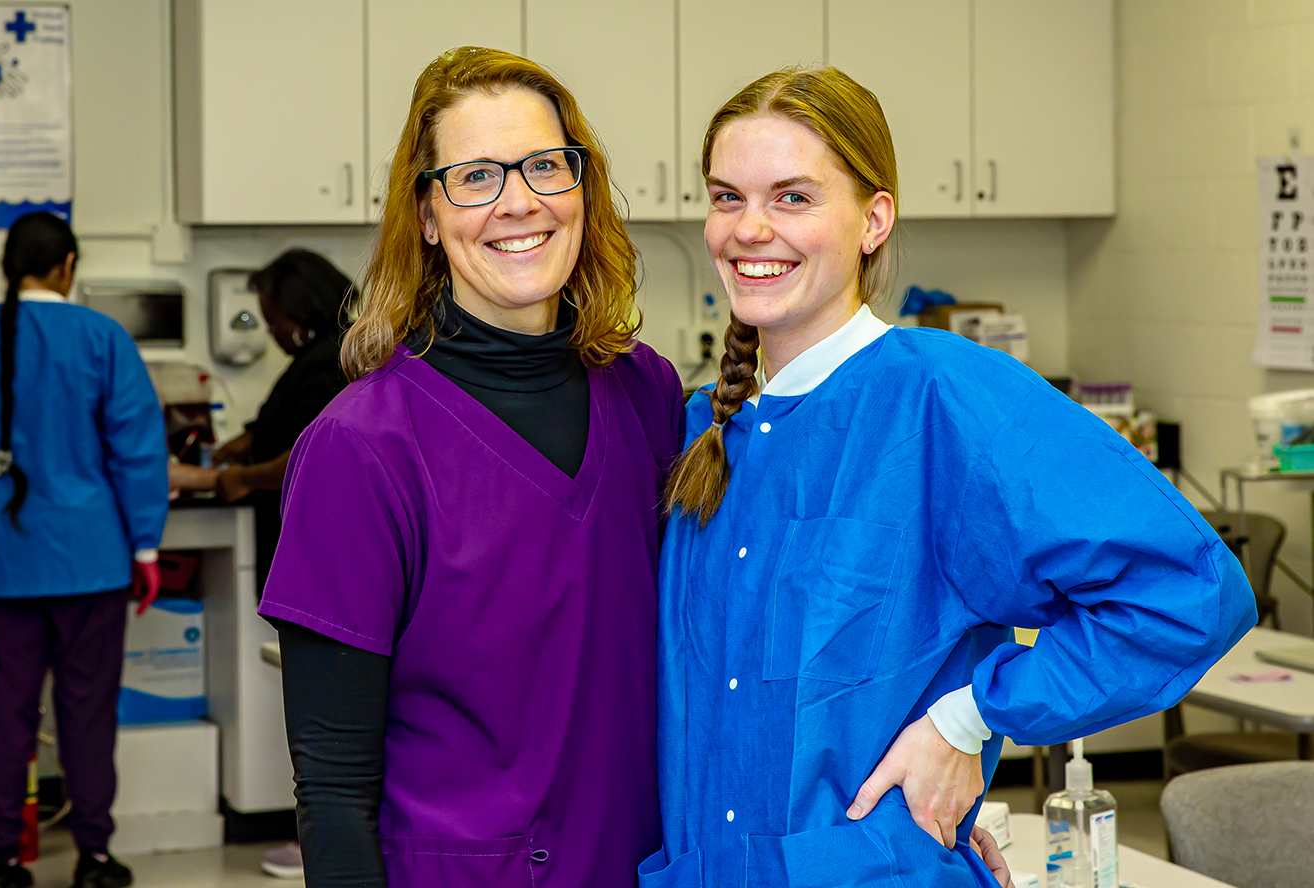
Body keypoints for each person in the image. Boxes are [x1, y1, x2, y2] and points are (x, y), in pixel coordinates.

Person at [640, 67, 1257, 888]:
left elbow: (1185, 594)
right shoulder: (699, 433)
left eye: (793, 198)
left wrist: (964, 721)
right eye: (727, 198)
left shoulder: (947, 399)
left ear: (873, 219)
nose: (751, 229)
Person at [256, 47, 685, 888]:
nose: (519, 201)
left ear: (582, 187)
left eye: (544, 166)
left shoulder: (646, 392)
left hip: (642, 863)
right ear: (425, 214)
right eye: (476, 176)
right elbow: (334, 789)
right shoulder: (362, 449)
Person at [0, 212, 169, 888]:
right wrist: (145, 547)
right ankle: (93, 855)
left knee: (9, 707)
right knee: (87, 711)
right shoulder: (101, 337)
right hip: (90, 558)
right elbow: (138, 448)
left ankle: (2, 859)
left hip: (2, 560)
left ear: (9, 267)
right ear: (69, 267)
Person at [169, 247, 351, 591]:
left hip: (316, 542)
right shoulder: (323, 353)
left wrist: (247, 479)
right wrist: (252, 438)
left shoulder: (329, 362)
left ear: (298, 312)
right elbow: (300, 417)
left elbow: (311, 454)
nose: (269, 333)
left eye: (272, 321)